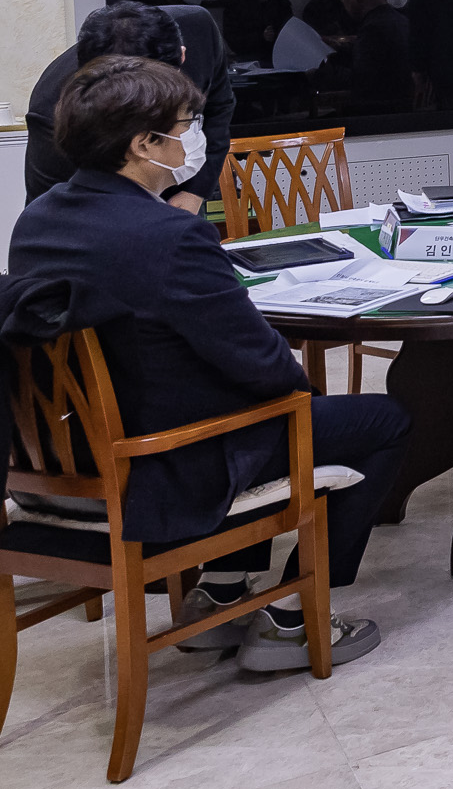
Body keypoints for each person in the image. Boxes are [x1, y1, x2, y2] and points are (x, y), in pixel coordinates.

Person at [7, 56, 408, 671]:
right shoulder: (168, 235)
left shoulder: (38, 219)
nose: (196, 138)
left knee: (252, 403)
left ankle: (219, 591)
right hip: (163, 462)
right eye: (186, 125)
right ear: (145, 144)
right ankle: (293, 619)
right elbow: (268, 366)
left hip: (71, 457)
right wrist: (295, 389)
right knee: (383, 420)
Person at [24, 0, 233, 211]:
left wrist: (194, 192)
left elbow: (220, 108)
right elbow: (52, 214)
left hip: (178, 193)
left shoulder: (198, 30)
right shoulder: (53, 111)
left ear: (182, 56)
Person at [340, 0, 413, 114]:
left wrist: (322, 74)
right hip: (403, 107)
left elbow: (364, 79)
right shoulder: (399, 19)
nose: (343, 2)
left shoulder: (373, 28)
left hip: (380, 112)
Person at [221, 0, 293, 66]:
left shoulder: (279, 1)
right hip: (247, 56)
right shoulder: (235, 2)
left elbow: (289, 28)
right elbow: (231, 35)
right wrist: (260, 37)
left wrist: (275, 35)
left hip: (276, 55)